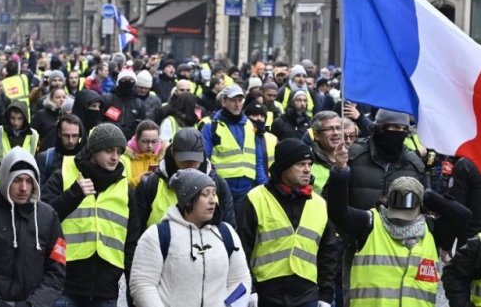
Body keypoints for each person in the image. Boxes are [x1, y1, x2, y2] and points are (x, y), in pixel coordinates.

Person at [328, 145, 471, 307]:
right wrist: (340, 172)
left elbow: (463, 215)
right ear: (387, 202)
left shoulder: (431, 229)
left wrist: (429, 196)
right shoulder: (369, 223)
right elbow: (337, 212)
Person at [41, 123, 140, 306]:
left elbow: (131, 242)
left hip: (106, 290)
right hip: (65, 285)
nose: (115, 157)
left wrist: (132, 293)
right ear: (93, 150)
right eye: (109, 150)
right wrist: (73, 195)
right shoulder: (63, 174)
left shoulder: (125, 189)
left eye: (119, 151)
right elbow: (42, 219)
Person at [0, 147, 65, 307]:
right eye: (17, 180)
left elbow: (57, 270)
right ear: (6, 179)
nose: (24, 188)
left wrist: (33, 304)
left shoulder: (49, 217)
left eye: (29, 181)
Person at [237, 139, 337, 307]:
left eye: (309, 164)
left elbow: (328, 252)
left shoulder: (319, 204)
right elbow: (242, 248)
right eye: (300, 164)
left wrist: (326, 295)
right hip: (266, 291)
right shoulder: (255, 199)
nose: (307, 170)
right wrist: (250, 287)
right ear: (284, 167)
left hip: (307, 293)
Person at [130, 169, 252, 307]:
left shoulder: (227, 233)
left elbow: (240, 281)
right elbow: (142, 284)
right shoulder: (158, 235)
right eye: (205, 194)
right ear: (187, 200)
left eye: (214, 193)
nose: (212, 200)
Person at [136, 127, 235, 231]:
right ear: (173, 154)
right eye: (185, 160)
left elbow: (229, 228)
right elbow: (136, 229)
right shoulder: (151, 184)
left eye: (195, 160)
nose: (191, 166)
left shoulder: (218, 184)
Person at [345, 109, 425, 210]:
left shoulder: (413, 163)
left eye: (404, 129)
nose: (400, 133)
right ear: (380, 128)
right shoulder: (354, 155)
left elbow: (421, 205)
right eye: (395, 127)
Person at [201, 84, 259, 214]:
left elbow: (258, 158)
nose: (237, 104)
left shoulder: (249, 125)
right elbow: (204, 159)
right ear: (223, 101)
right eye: (233, 100)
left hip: (246, 188)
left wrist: (262, 184)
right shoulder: (210, 126)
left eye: (240, 100)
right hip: (221, 188)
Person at [0, 100, 39, 189]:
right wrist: (6, 172)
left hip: (24, 184)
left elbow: (35, 161)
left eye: (19, 118)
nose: (15, 122)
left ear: (25, 118)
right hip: (0, 183)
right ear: (8, 117)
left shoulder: (33, 135)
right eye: (13, 118)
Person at [35, 114, 85, 186]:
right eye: (66, 136)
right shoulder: (45, 159)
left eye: (74, 136)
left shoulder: (86, 159)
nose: (70, 141)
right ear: (59, 133)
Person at [101, 69, 146, 140]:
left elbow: (142, 126)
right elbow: (99, 120)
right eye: (124, 79)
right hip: (108, 138)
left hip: (129, 142)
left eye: (131, 80)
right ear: (118, 81)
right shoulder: (108, 98)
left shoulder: (139, 103)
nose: (127, 82)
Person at [122, 120, 166, 189]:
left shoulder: (164, 158)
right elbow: (121, 187)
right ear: (136, 138)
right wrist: (139, 180)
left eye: (154, 141)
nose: (150, 146)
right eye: (145, 141)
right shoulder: (124, 158)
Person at [31, 87, 66, 151]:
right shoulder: (41, 114)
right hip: (45, 152)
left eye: (64, 97)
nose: (62, 100)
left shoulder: (68, 115)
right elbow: (31, 134)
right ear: (51, 99)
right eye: (58, 97)